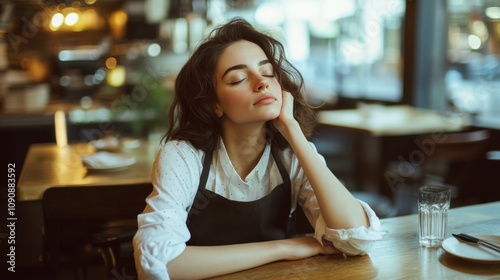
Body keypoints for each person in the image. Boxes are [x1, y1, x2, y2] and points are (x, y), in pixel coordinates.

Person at [133, 18, 382, 280]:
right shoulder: (183, 155)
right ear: (214, 103)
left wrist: (292, 129)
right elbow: (158, 263)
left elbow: (357, 239)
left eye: (268, 72)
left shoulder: (291, 153)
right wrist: (282, 247)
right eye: (239, 78)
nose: (261, 83)